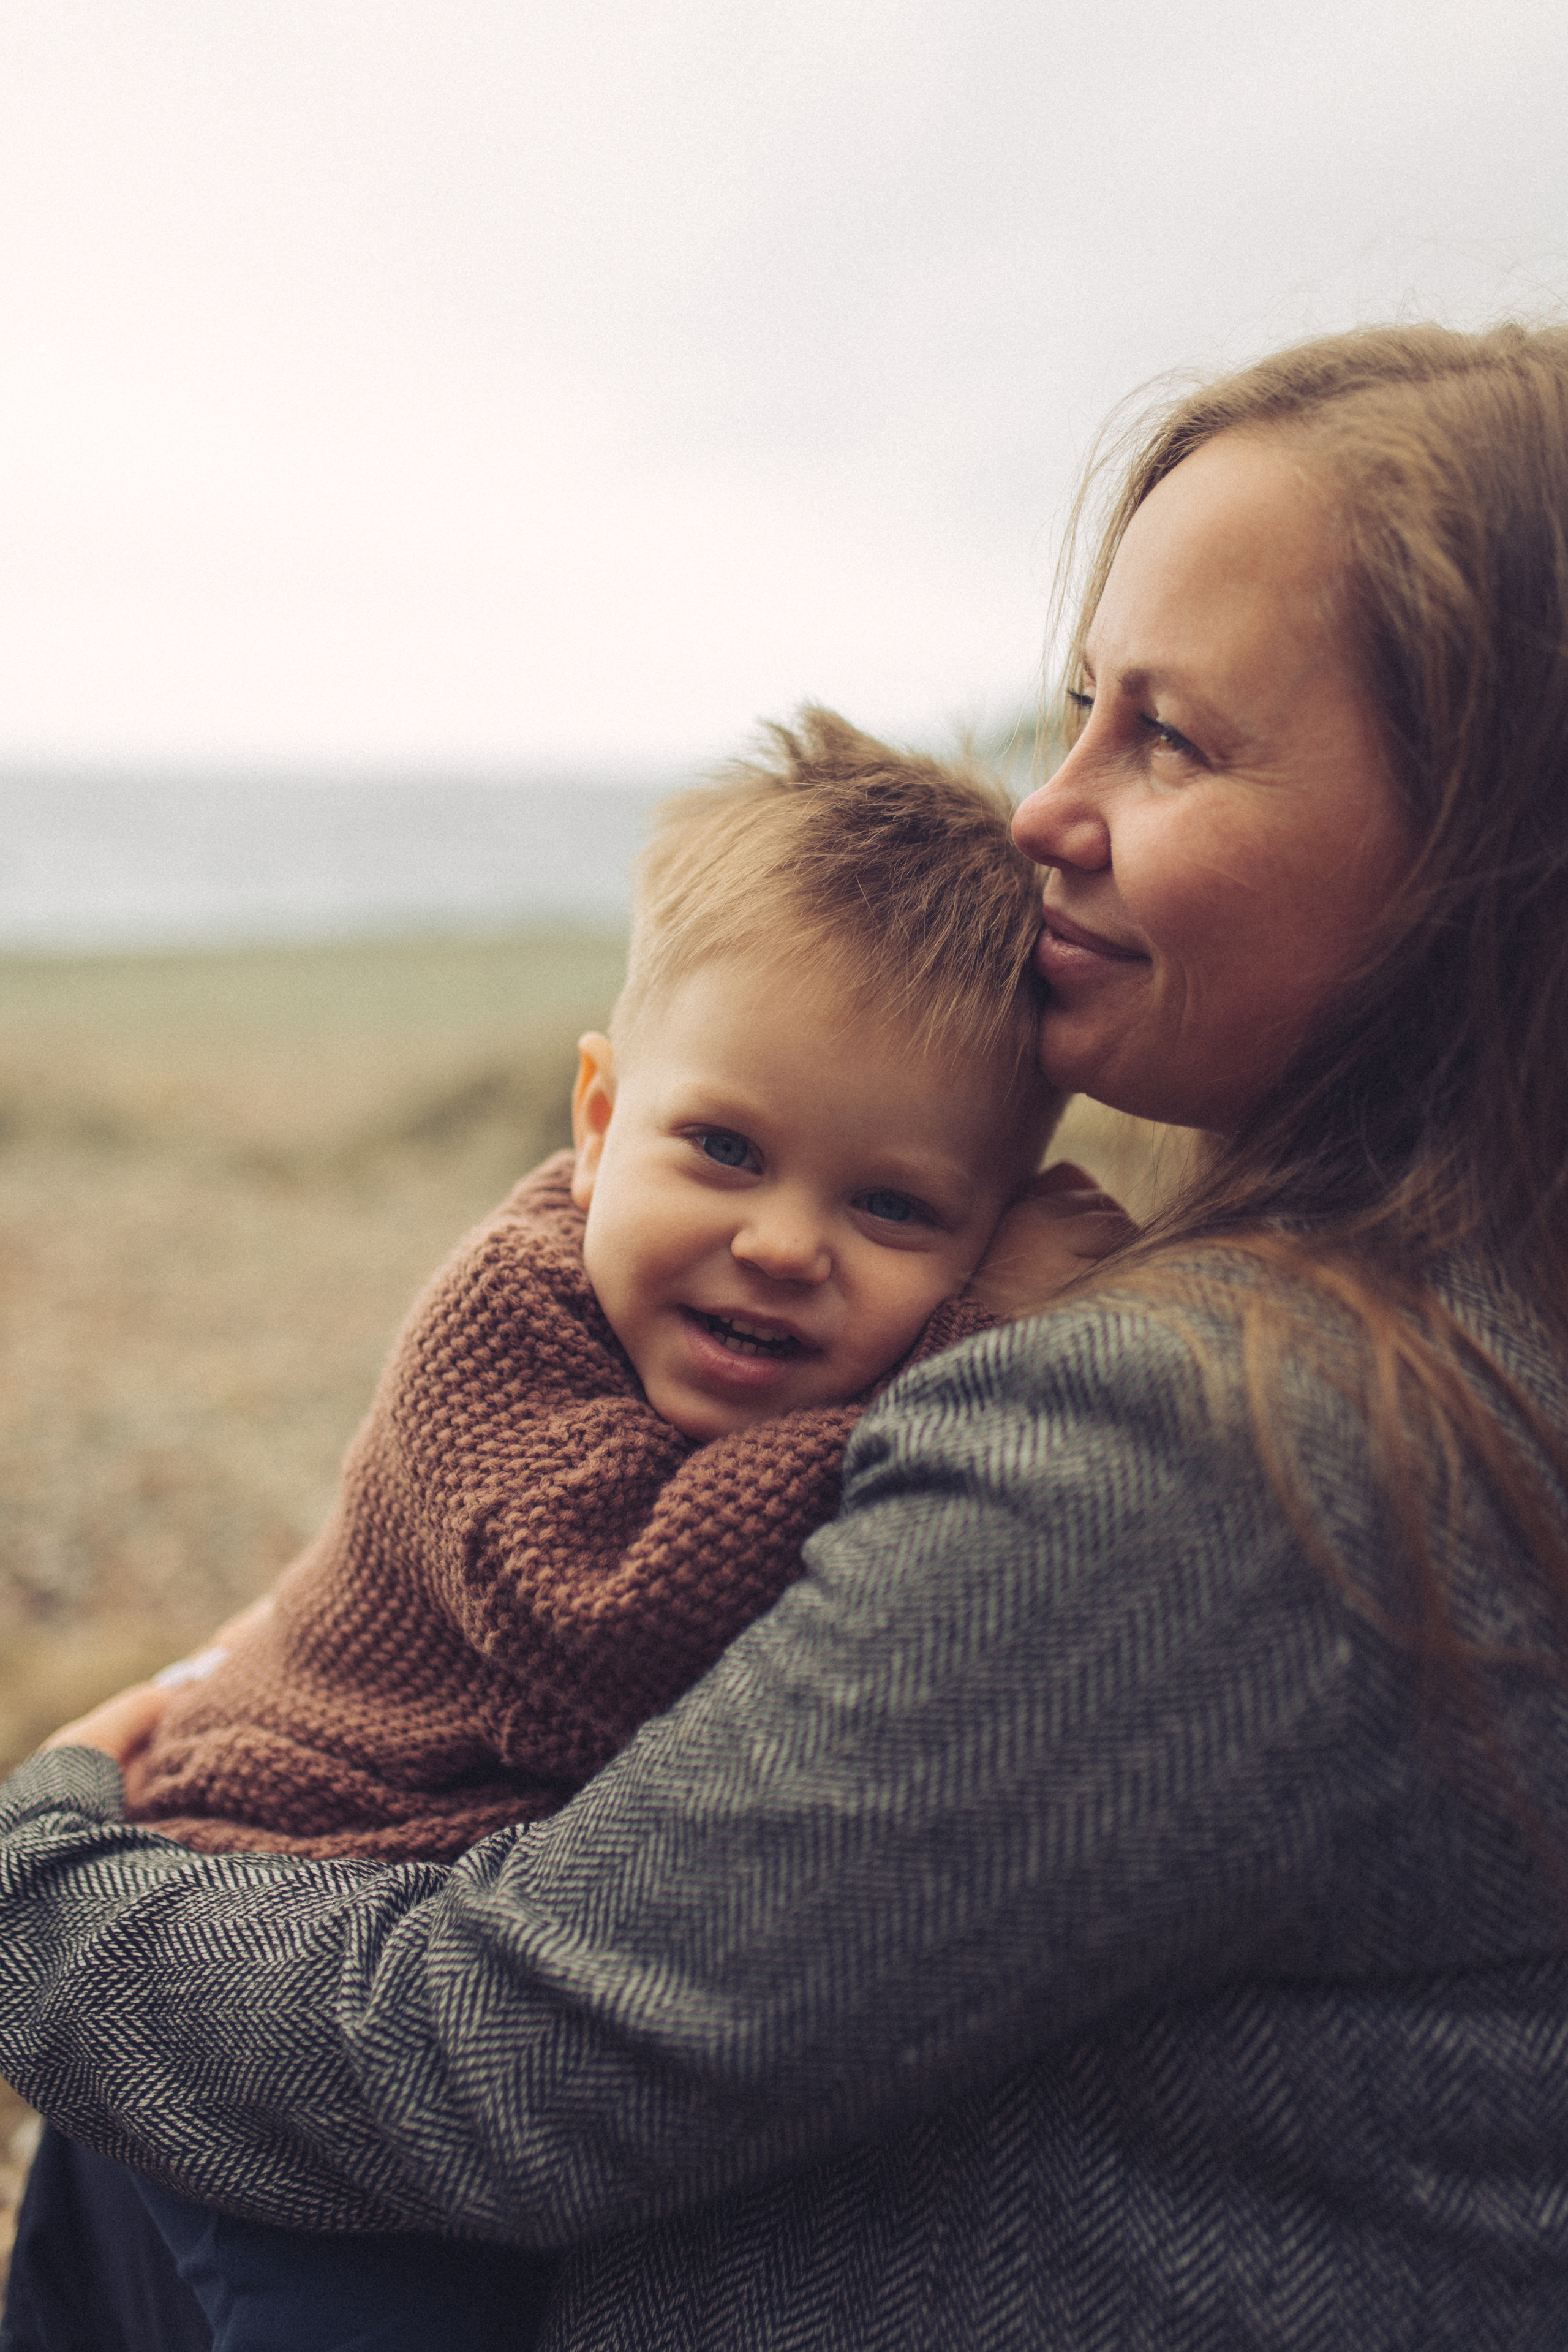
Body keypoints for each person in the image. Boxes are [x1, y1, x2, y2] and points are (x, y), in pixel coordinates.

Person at [3, 318, 1568, 2351]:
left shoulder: (1235, 1442)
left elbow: (502, 2063)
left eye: (1167, 740)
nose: (1043, 812)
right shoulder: (1463, 1324)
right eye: (1079, 705)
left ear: (1479, 844)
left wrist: (45, 1864)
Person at [2, 712, 1094, 2350]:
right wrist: (969, 1345)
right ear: (597, 1121)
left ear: (986, 1214)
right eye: (722, 1149)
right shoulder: (501, 1322)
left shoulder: (772, 1386)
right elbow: (620, 1613)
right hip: (263, 1919)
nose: (784, 1245)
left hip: (395, 1965)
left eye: (895, 1209)